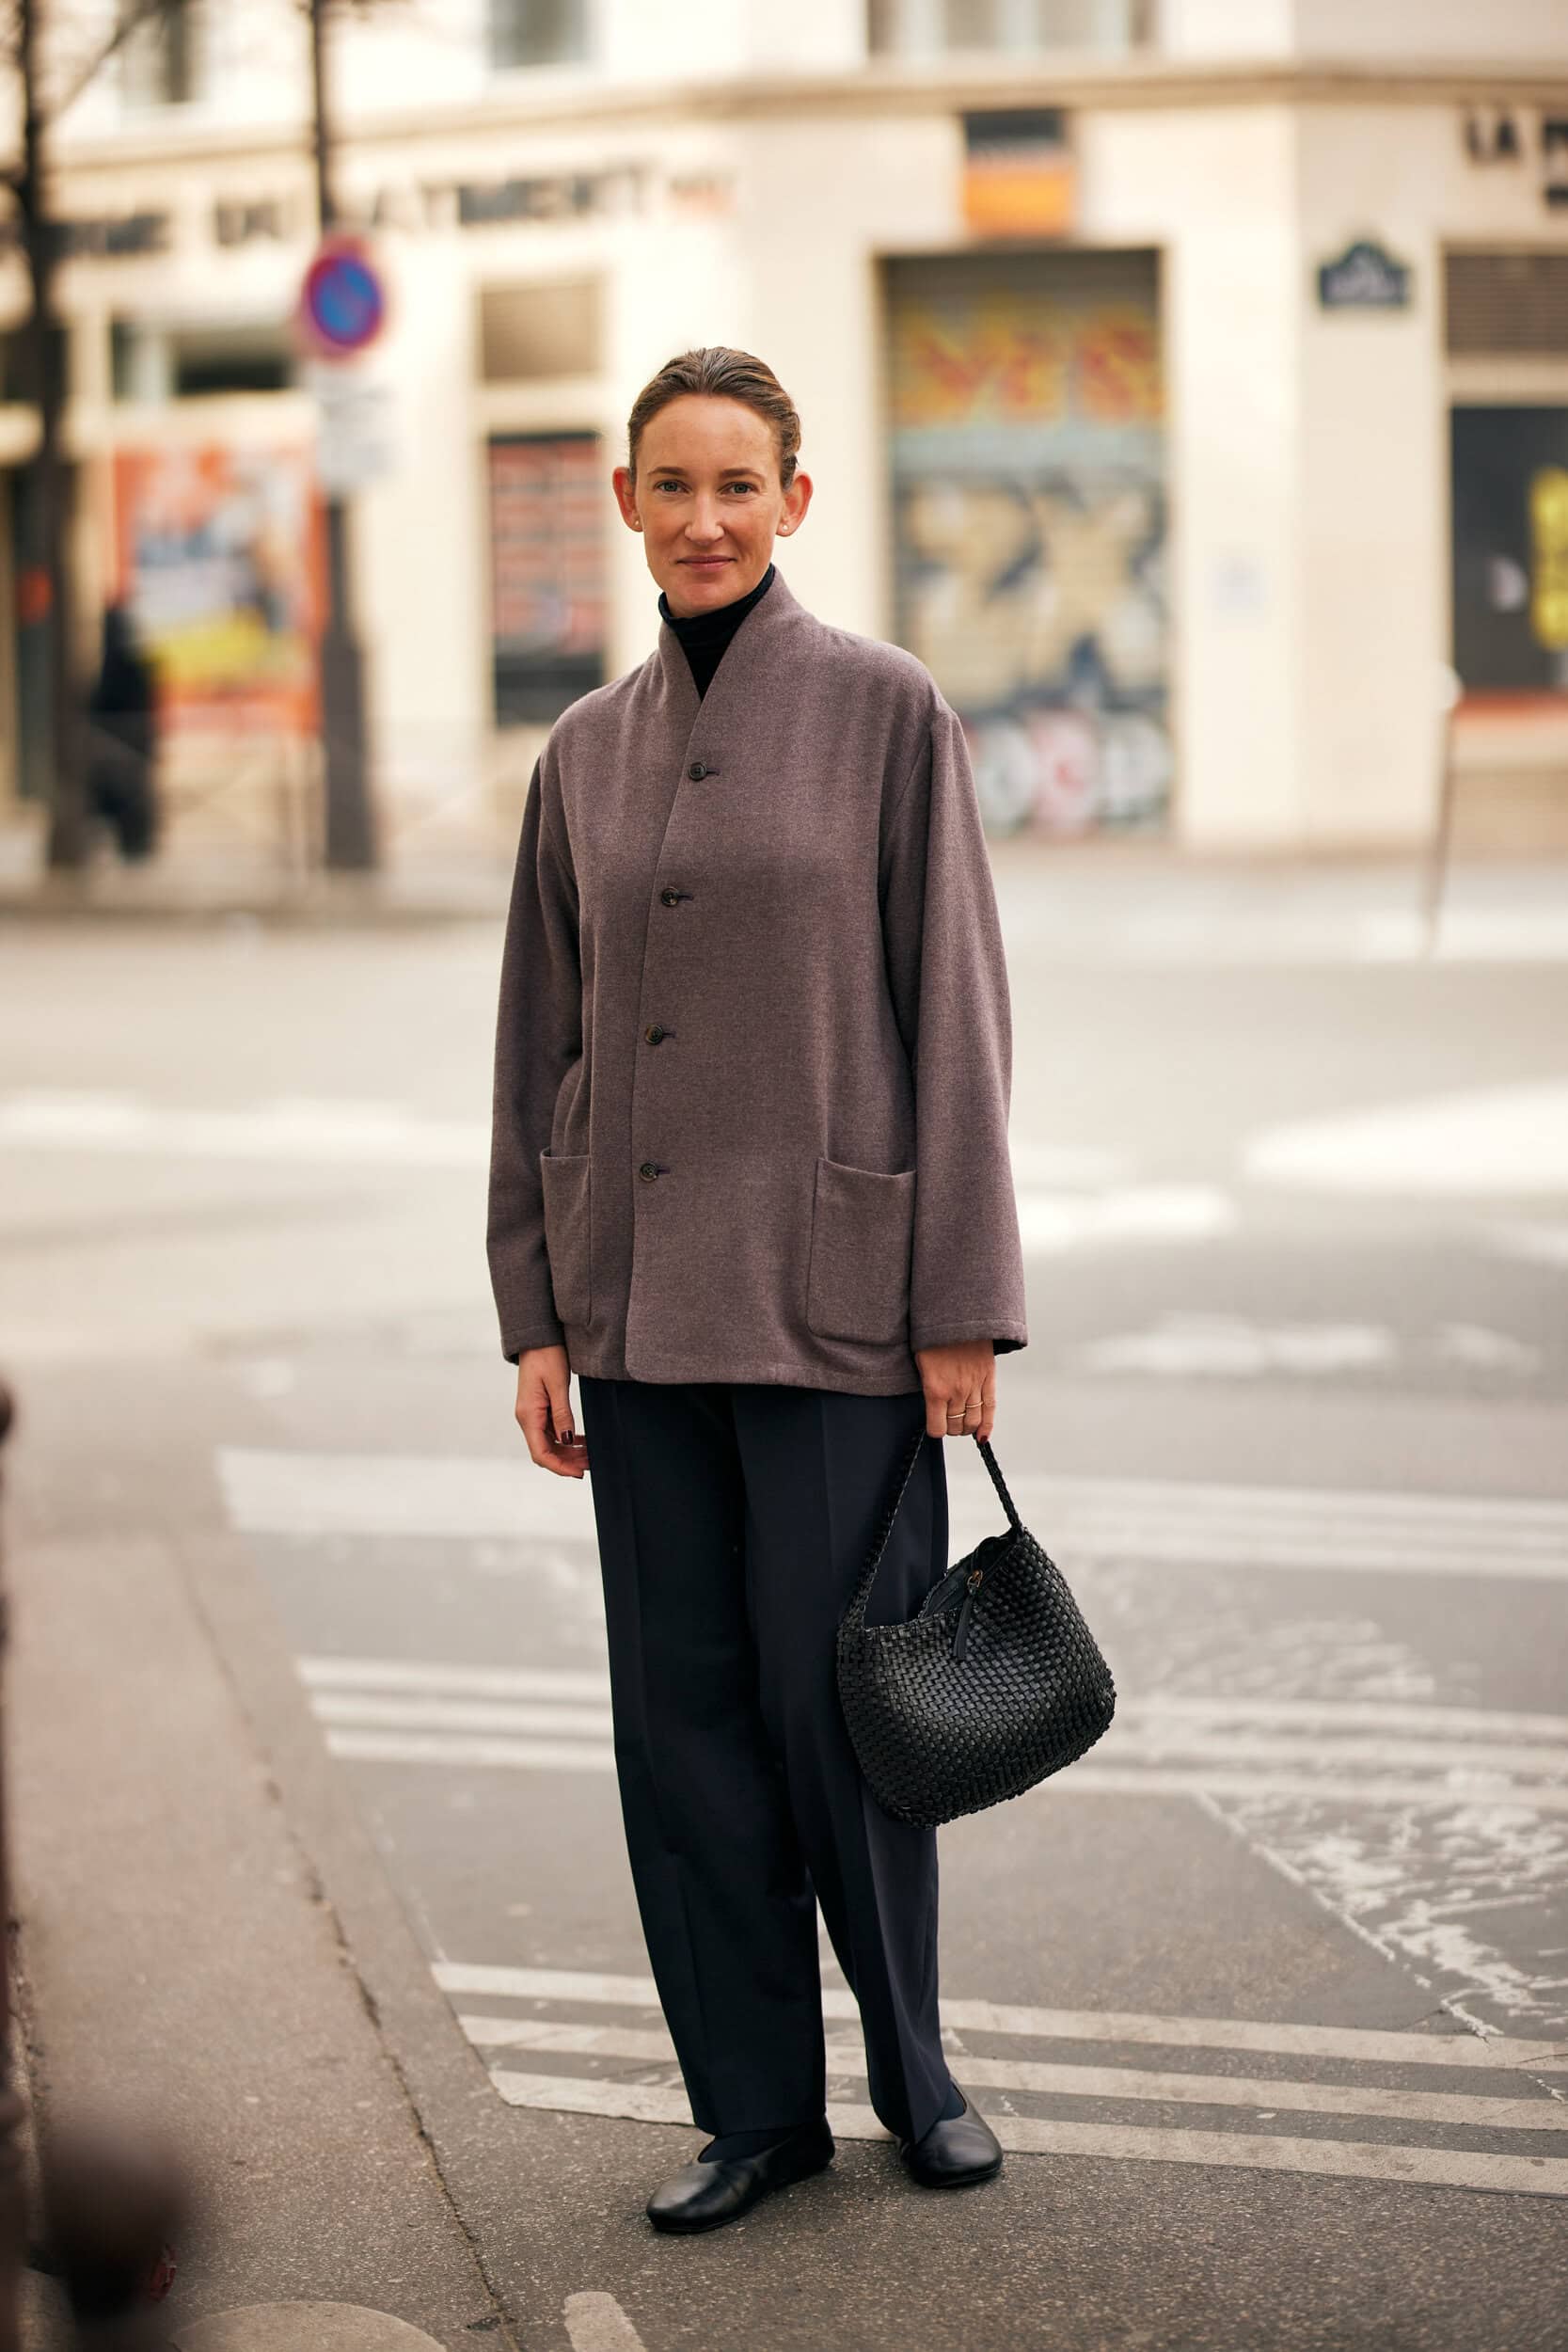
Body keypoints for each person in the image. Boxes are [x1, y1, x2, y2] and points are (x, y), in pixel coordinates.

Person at [487, 347, 1028, 2236]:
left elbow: (953, 1017)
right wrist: (532, 1310)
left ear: (794, 500)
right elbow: (531, 1049)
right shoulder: (579, 753)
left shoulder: (888, 714)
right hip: (634, 1316)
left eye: (738, 482)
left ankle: (913, 2072)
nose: (702, 515)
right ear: (626, 503)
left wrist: (957, 1299)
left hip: (840, 1305)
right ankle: (749, 2107)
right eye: (669, 483)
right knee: (684, 1725)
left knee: (850, 1713)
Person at [86, 601, 161, 862]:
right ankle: (132, 843)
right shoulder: (128, 666)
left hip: (127, 745)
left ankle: (136, 843)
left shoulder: (127, 667)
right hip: (118, 747)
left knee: (130, 798)